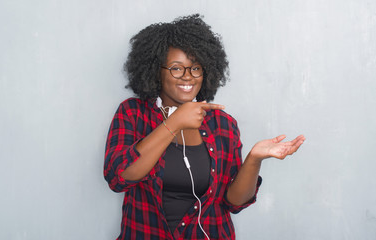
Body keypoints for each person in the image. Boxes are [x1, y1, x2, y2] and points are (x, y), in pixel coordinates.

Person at [104, 14, 305, 240]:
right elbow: (118, 177)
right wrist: (174, 122)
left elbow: (234, 202)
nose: (188, 77)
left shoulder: (223, 124)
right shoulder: (133, 113)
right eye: (176, 68)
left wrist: (254, 159)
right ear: (155, 70)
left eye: (196, 68)